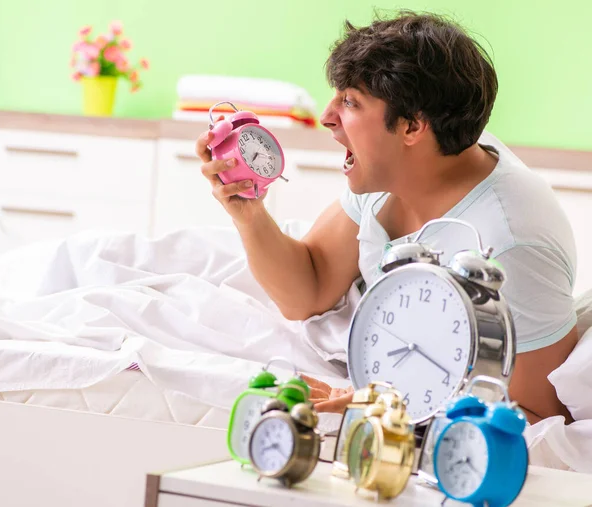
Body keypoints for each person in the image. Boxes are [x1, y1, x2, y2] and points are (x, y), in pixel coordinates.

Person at [196, 11, 578, 425]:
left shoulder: (511, 245)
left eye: (350, 102)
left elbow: (537, 416)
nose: (326, 116)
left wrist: (382, 404)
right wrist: (249, 215)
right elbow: (309, 289)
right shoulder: (397, 168)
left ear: (413, 126)